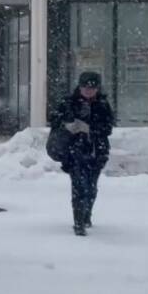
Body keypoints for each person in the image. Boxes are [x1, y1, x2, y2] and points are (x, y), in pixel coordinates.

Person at [49, 71, 115, 236]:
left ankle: (86, 215)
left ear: (97, 89)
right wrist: (68, 126)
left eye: (92, 88)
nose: (88, 91)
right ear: (79, 87)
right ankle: (78, 222)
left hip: (96, 152)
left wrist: (90, 129)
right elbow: (54, 120)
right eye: (85, 87)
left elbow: (108, 128)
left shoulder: (102, 104)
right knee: (79, 187)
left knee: (91, 187)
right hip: (74, 151)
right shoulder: (68, 102)